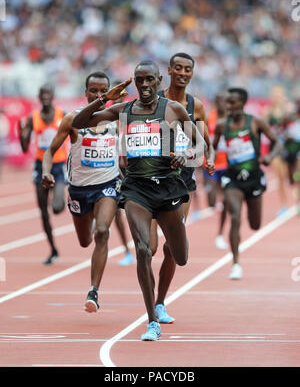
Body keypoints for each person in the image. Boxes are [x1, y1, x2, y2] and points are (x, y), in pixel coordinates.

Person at [72, 60, 214, 341]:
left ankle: (159, 303)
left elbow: (201, 144)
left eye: (150, 80)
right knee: (142, 249)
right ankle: (151, 321)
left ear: (159, 80)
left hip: (168, 189)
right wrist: (104, 98)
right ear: (135, 82)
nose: (145, 85)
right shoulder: (124, 110)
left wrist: (185, 156)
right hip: (136, 190)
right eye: (140, 80)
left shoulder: (171, 109)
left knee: (180, 257)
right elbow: (79, 122)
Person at [42, 72, 130, 312]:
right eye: (94, 90)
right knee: (84, 242)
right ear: (85, 93)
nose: (99, 95)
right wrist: (46, 172)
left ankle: (93, 291)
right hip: (80, 190)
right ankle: (91, 220)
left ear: (112, 92)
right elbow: (50, 151)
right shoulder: (72, 120)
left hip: (107, 185)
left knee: (102, 232)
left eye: (104, 90)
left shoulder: (117, 119)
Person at [149, 52, 215, 324]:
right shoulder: (155, 99)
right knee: (148, 248)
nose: (183, 73)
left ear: (192, 73)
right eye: (178, 68)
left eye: (188, 69)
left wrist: (206, 158)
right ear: (170, 70)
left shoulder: (195, 105)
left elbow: (205, 141)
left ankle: (159, 304)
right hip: (151, 179)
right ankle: (147, 298)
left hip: (182, 182)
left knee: (172, 250)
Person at [213, 87, 282, 280]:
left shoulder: (256, 122)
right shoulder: (221, 125)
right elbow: (211, 147)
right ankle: (235, 263)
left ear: (242, 103)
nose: (228, 106)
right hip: (232, 179)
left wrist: (270, 156)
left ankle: (237, 257)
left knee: (255, 224)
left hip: (253, 179)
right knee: (234, 216)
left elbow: (278, 142)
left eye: (232, 102)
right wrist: (210, 159)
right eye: (227, 102)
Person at [18, 84, 68, 265]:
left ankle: (63, 198)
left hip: (58, 164)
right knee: (44, 212)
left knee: (56, 207)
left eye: (48, 93)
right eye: (42, 94)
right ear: (39, 97)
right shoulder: (34, 117)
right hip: (40, 166)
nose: (45, 97)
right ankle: (53, 249)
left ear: (53, 95)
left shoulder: (62, 115)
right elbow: (24, 149)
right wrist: (21, 134)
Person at [107, 79, 135, 267]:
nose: (119, 98)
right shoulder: (105, 118)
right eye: (116, 95)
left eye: (123, 95)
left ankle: (142, 245)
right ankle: (127, 250)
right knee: (117, 213)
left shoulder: (132, 115)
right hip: (112, 170)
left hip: (131, 170)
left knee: (135, 212)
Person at [204, 93, 228, 250]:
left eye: (223, 101)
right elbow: (202, 137)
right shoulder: (209, 117)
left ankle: (220, 233)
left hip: (227, 165)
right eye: (218, 101)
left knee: (227, 201)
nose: (220, 104)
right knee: (211, 200)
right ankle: (215, 202)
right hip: (211, 164)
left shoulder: (231, 120)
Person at [263, 85, 292, 216]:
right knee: (280, 177)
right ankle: (284, 204)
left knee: (290, 176)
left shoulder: (288, 110)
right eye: (274, 95)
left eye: (279, 95)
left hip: (289, 146)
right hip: (275, 147)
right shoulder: (268, 111)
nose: (276, 98)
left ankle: (293, 199)